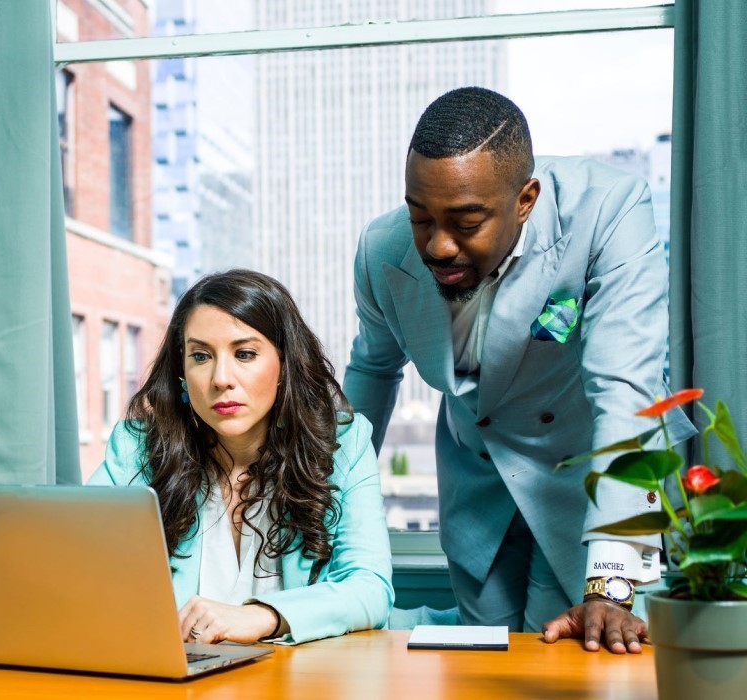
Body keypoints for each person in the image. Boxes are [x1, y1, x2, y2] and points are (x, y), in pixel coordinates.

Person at [344, 86, 695, 653]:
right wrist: (319, 502)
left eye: (465, 222)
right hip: (479, 484)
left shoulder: (609, 209)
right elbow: (373, 374)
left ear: (525, 199)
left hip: (596, 480)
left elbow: (625, 392)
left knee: (595, 666)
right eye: (420, 216)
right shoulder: (380, 250)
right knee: (486, 670)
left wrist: (610, 583)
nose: (437, 245)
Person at [89, 269, 393, 645]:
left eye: (244, 354)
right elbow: (77, 564)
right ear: (181, 372)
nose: (221, 378)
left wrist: (265, 616)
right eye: (200, 356)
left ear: (285, 364)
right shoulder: (138, 450)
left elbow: (370, 588)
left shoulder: (343, 443)